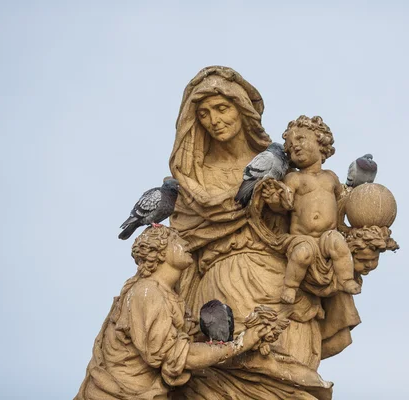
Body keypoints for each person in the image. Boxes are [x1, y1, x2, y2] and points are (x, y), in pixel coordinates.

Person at [169, 66, 361, 399]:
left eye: (222, 108)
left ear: (241, 109)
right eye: (204, 114)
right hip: (221, 289)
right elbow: (180, 249)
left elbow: (317, 224)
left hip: (286, 294)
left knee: (290, 386)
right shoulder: (191, 182)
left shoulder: (285, 167)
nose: (214, 120)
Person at [75, 226, 272, 400]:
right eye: (176, 240)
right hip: (121, 394)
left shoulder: (171, 297)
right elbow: (176, 355)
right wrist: (241, 344)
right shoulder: (147, 292)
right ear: (160, 252)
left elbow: (195, 341)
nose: (185, 243)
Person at [277, 115, 361, 304]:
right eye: (290, 147)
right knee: (302, 254)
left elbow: (343, 202)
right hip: (302, 237)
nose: (294, 147)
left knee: (338, 244)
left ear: (321, 142)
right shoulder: (294, 179)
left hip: (327, 236)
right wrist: (282, 198)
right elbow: (285, 198)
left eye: (300, 139)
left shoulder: (331, 177)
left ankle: (346, 279)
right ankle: (290, 287)